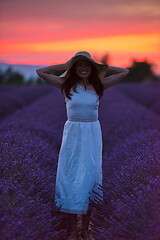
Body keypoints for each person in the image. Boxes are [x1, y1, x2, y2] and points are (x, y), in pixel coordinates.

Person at [36, 51, 129, 240]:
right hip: (72, 135)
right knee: (70, 177)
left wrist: (101, 67)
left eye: (87, 65)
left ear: (92, 68)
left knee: (90, 177)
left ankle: (85, 230)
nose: (84, 68)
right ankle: (72, 230)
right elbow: (41, 72)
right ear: (74, 68)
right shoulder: (65, 85)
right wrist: (65, 65)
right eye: (80, 65)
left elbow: (125, 72)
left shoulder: (98, 85)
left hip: (92, 134)